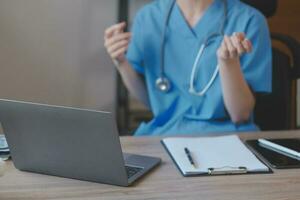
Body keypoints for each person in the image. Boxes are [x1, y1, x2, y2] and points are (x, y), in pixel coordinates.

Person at [104, 0, 272, 136]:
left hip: (228, 137)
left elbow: (240, 114)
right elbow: (150, 101)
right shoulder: (148, 18)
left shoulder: (249, 20)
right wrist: (121, 62)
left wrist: (228, 64)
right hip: (161, 136)